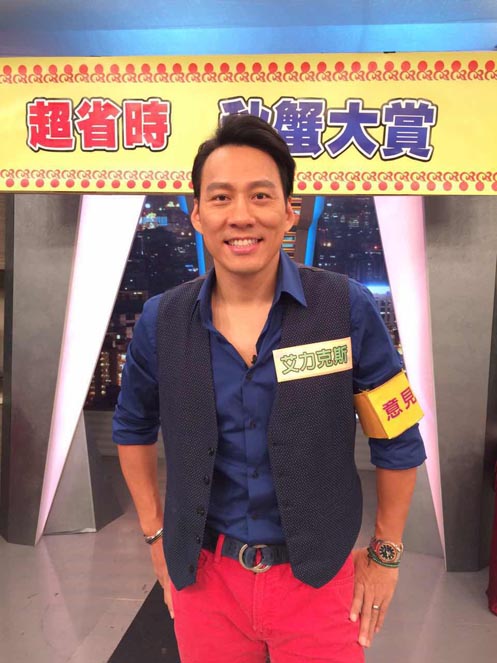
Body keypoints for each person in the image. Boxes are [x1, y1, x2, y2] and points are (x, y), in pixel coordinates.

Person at [113, 114, 426, 663]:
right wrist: (155, 535)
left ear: (289, 212)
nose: (241, 215)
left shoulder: (345, 307)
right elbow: (133, 427)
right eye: (221, 197)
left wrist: (386, 554)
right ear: (197, 214)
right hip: (204, 578)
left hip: (318, 577)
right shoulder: (162, 320)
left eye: (261, 195)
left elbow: (397, 434)